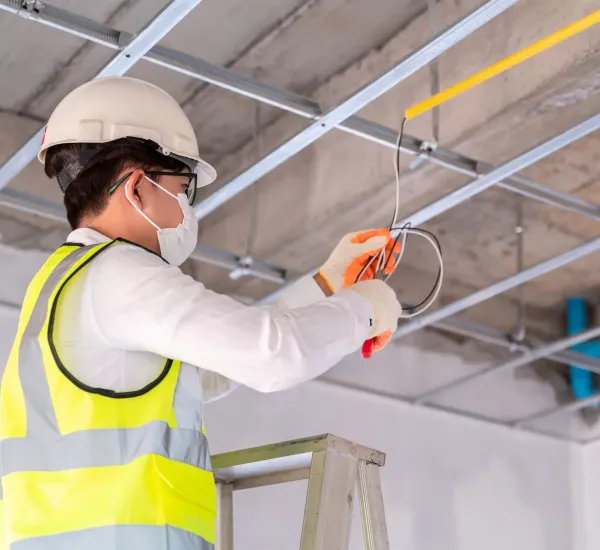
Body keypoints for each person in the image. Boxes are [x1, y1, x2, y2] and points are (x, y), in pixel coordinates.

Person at [0, 76, 402, 549]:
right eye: (182, 186)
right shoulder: (119, 272)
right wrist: (366, 308)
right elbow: (275, 356)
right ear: (136, 188)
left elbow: (204, 370)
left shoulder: (62, 284)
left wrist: (326, 285)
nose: (187, 206)